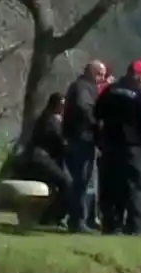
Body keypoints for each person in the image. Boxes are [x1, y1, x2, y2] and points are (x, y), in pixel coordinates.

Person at [93, 59, 141, 235]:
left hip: (110, 145)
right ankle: (135, 226)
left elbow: (97, 112)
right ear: (139, 74)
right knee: (136, 185)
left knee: (111, 186)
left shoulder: (110, 90)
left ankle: (111, 225)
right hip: (133, 147)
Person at [62, 60, 106, 233]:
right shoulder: (82, 87)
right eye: (99, 74)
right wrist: (97, 122)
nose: (102, 78)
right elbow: (84, 108)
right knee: (80, 180)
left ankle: (82, 218)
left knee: (84, 180)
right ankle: (77, 220)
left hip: (85, 139)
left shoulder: (87, 87)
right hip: (80, 138)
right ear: (91, 72)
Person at [21, 92, 74, 226]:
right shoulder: (50, 121)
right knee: (67, 184)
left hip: (42, 158)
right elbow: (59, 142)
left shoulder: (47, 119)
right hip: (40, 159)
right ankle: (52, 217)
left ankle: (53, 216)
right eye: (61, 105)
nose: (63, 108)